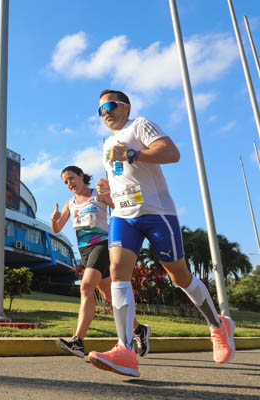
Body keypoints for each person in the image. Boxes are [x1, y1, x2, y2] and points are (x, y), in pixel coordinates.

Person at [88, 89, 235, 377]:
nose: (105, 112)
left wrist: (132, 152)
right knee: (117, 269)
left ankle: (218, 326)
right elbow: (125, 175)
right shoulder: (106, 142)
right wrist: (108, 192)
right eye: (100, 109)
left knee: (178, 275)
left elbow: (172, 153)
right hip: (123, 215)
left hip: (157, 213)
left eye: (110, 105)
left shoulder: (140, 124)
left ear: (126, 107)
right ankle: (125, 350)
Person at [51, 165, 150, 359]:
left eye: (71, 178)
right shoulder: (70, 203)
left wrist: (109, 197)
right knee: (112, 298)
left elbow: (121, 209)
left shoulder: (98, 194)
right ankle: (139, 330)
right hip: (85, 251)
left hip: (103, 245)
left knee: (86, 287)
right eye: (65, 182)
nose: (69, 184)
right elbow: (57, 228)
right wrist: (54, 220)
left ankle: (78, 341)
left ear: (81, 176)